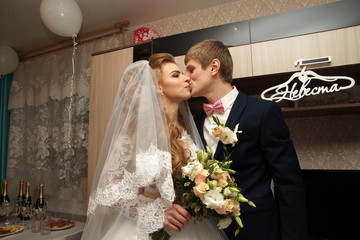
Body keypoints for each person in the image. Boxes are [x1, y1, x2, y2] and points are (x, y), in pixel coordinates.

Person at [165, 39, 308, 240]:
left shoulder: (263, 112)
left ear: (214, 67)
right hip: (206, 230)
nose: (186, 78)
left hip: (256, 229)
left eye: (191, 69)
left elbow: (289, 183)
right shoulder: (194, 123)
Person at [81, 53, 227, 240]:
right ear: (157, 86)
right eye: (176, 75)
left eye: (183, 73)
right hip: (145, 231)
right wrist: (157, 214)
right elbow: (106, 189)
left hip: (190, 227)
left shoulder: (187, 131)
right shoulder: (136, 130)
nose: (186, 78)